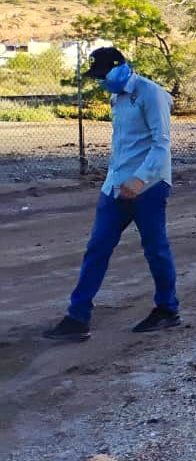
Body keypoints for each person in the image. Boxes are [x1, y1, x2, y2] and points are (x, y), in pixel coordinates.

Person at [43, 48, 180, 341]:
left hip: (149, 186)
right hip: (116, 186)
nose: (101, 80)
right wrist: (115, 182)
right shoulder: (116, 97)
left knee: (155, 248)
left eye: (104, 74)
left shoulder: (150, 93)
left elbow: (161, 144)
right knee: (97, 248)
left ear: (120, 67)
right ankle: (77, 317)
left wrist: (140, 179)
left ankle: (168, 310)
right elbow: (124, 144)